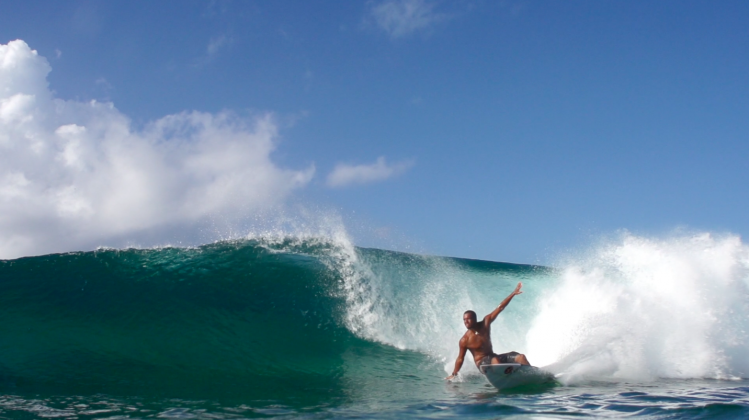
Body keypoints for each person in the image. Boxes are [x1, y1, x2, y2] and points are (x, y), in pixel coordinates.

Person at [445, 282, 531, 380]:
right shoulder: (465, 340)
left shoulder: (485, 323)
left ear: (475, 319)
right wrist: (454, 374)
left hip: (494, 358)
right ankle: (508, 378)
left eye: (468, 319)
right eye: (464, 320)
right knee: (495, 360)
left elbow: (500, 308)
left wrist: (513, 293)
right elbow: (460, 358)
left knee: (521, 357)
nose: (466, 322)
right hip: (483, 365)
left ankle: (531, 375)